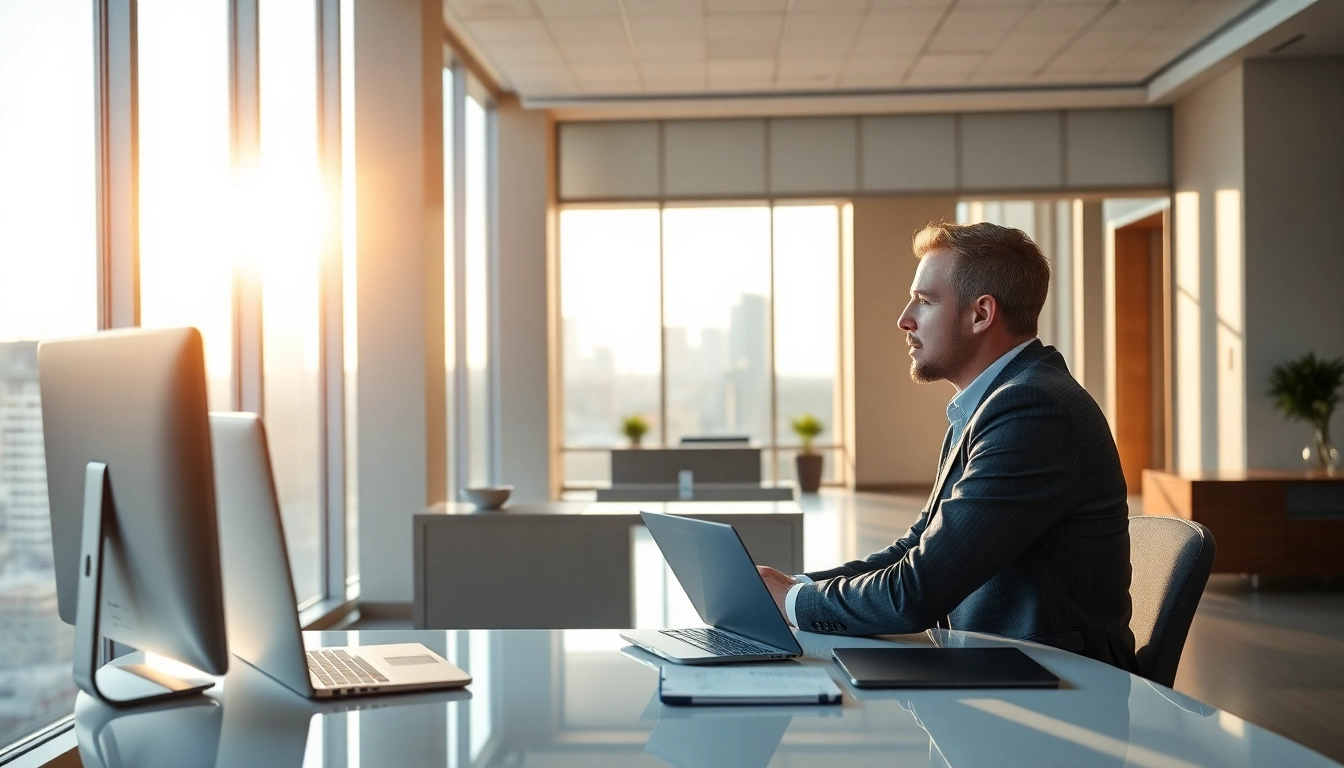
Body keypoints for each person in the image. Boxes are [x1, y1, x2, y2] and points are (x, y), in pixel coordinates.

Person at [758, 221, 1137, 671]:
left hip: (1054, 690)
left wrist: (795, 602)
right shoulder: (991, 404)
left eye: (925, 300)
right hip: (1004, 671)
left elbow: (914, 593)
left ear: (980, 314)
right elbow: (915, 551)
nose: (905, 318)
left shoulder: (1032, 408)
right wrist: (792, 587)